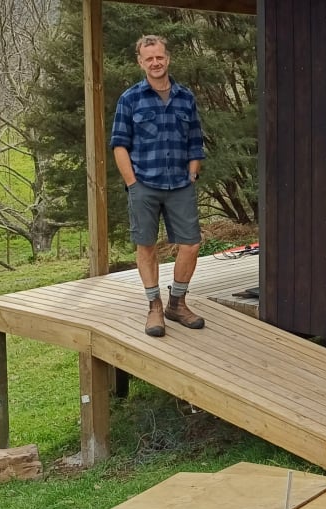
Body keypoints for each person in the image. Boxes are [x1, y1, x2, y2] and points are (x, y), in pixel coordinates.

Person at [111, 34, 206, 337]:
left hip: (180, 184)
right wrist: (132, 183)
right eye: (149, 58)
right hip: (145, 184)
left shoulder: (185, 98)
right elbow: (119, 145)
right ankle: (154, 307)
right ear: (141, 62)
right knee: (146, 245)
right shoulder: (130, 99)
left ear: (168, 58)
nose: (155, 62)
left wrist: (193, 172)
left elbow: (195, 140)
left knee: (191, 244)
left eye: (159, 57)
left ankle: (177, 303)